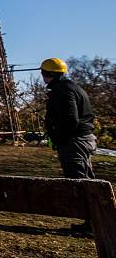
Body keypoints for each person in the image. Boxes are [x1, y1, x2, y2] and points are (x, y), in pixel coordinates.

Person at [41, 57, 96, 231]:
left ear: (46, 74)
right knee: (87, 180)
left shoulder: (62, 90)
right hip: (82, 139)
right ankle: (94, 221)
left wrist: (58, 138)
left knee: (79, 182)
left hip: (74, 141)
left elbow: (70, 120)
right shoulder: (72, 87)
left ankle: (92, 225)